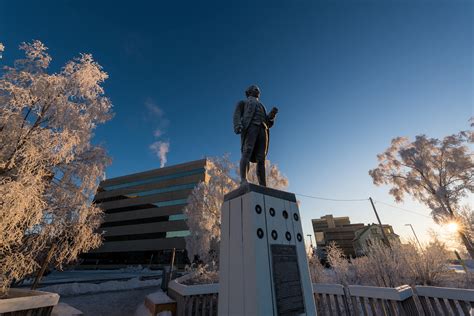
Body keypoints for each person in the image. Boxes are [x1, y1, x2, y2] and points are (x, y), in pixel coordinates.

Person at [233, 85, 278, 186]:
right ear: (248, 92)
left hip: (263, 130)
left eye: (258, 90)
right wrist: (238, 125)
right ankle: (244, 179)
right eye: (255, 89)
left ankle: (263, 184)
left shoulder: (262, 105)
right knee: (247, 151)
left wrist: (272, 115)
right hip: (250, 127)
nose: (258, 90)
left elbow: (267, 122)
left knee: (261, 157)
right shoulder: (243, 103)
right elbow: (237, 114)